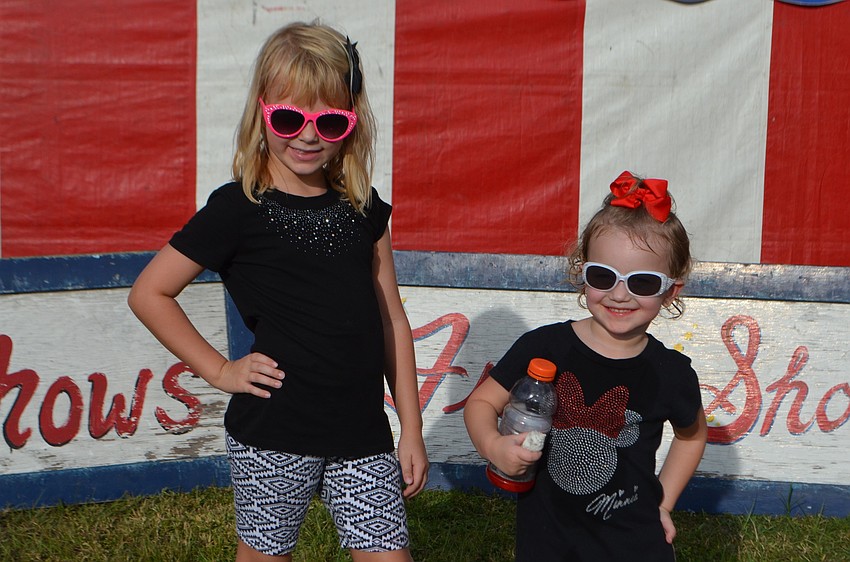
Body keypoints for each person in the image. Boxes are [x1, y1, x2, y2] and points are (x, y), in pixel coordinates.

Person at [128, 21, 428, 562]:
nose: (308, 136)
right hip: (272, 432)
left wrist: (411, 426)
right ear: (262, 113)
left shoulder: (364, 208)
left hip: (361, 435)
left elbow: (391, 321)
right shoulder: (235, 209)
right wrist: (221, 371)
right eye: (289, 118)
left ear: (352, 123)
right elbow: (150, 293)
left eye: (330, 121)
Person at [464, 171, 707, 561]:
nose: (619, 294)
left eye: (642, 283)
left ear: (670, 291)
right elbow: (481, 404)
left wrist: (663, 503)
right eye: (603, 276)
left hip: (634, 543)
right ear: (582, 272)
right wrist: (492, 445)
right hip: (548, 539)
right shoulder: (545, 346)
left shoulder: (671, 372)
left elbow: (692, 436)